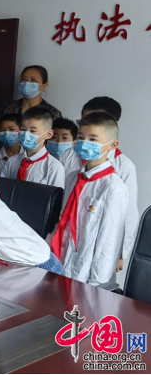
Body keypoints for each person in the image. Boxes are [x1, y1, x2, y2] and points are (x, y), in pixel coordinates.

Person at [60, 97, 138, 271]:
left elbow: (128, 214)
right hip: (66, 243)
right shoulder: (70, 157)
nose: (85, 141)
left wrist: (121, 253)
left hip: (97, 252)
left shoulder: (123, 168)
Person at [50, 112, 128, 286]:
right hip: (59, 261)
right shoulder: (72, 178)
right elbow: (63, 219)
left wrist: (96, 284)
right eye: (80, 137)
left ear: (113, 145)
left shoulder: (113, 188)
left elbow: (109, 241)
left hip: (86, 275)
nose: (84, 143)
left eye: (93, 139)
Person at [0, 65, 62, 147]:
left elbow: (56, 143)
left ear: (43, 86)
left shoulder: (53, 113)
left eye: (33, 80)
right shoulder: (8, 107)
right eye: (24, 79)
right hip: (6, 154)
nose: (27, 83)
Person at [1, 106, 64, 188]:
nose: (26, 134)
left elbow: (56, 195)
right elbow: (3, 188)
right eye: (23, 129)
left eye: (32, 131)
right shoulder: (12, 161)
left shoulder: (54, 167)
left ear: (48, 134)